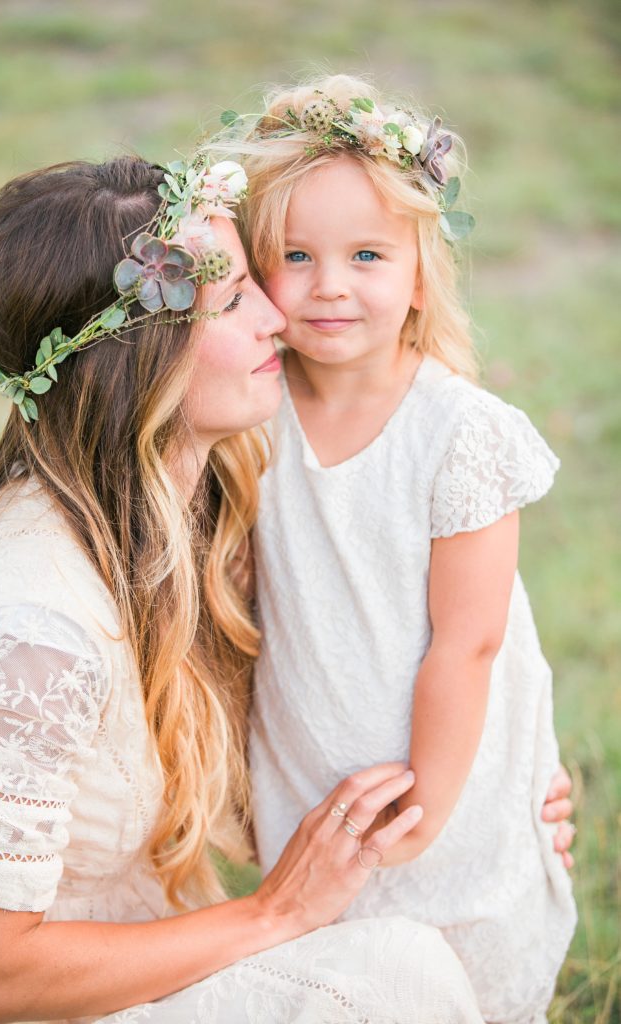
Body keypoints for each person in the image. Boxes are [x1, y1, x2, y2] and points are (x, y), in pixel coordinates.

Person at [0, 154, 489, 1024]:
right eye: (233, 299)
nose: (280, 314)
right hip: (45, 1006)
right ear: (139, 361)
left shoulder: (198, 503)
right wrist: (276, 912)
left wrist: (491, 779)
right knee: (394, 976)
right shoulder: (29, 629)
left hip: (147, 952)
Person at [214, 75, 578, 1024]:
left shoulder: (458, 431)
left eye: (367, 254)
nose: (330, 283)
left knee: (457, 965)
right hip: (311, 733)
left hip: (440, 769)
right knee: (337, 967)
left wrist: (424, 814)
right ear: (257, 273)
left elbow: (469, 643)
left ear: (419, 270)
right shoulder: (254, 412)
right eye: (296, 255)